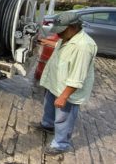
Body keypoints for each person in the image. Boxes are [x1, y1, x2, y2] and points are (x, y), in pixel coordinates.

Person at [34, 11, 97, 155]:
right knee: (48, 107)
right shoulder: (68, 37)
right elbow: (60, 45)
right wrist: (46, 42)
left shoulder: (83, 47)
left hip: (67, 90)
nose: (59, 34)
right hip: (56, 83)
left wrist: (63, 96)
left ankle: (60, 144)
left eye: (61, 31)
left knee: (64, 118)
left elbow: (78, 77)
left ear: (73, 27)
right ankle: (48, 125)